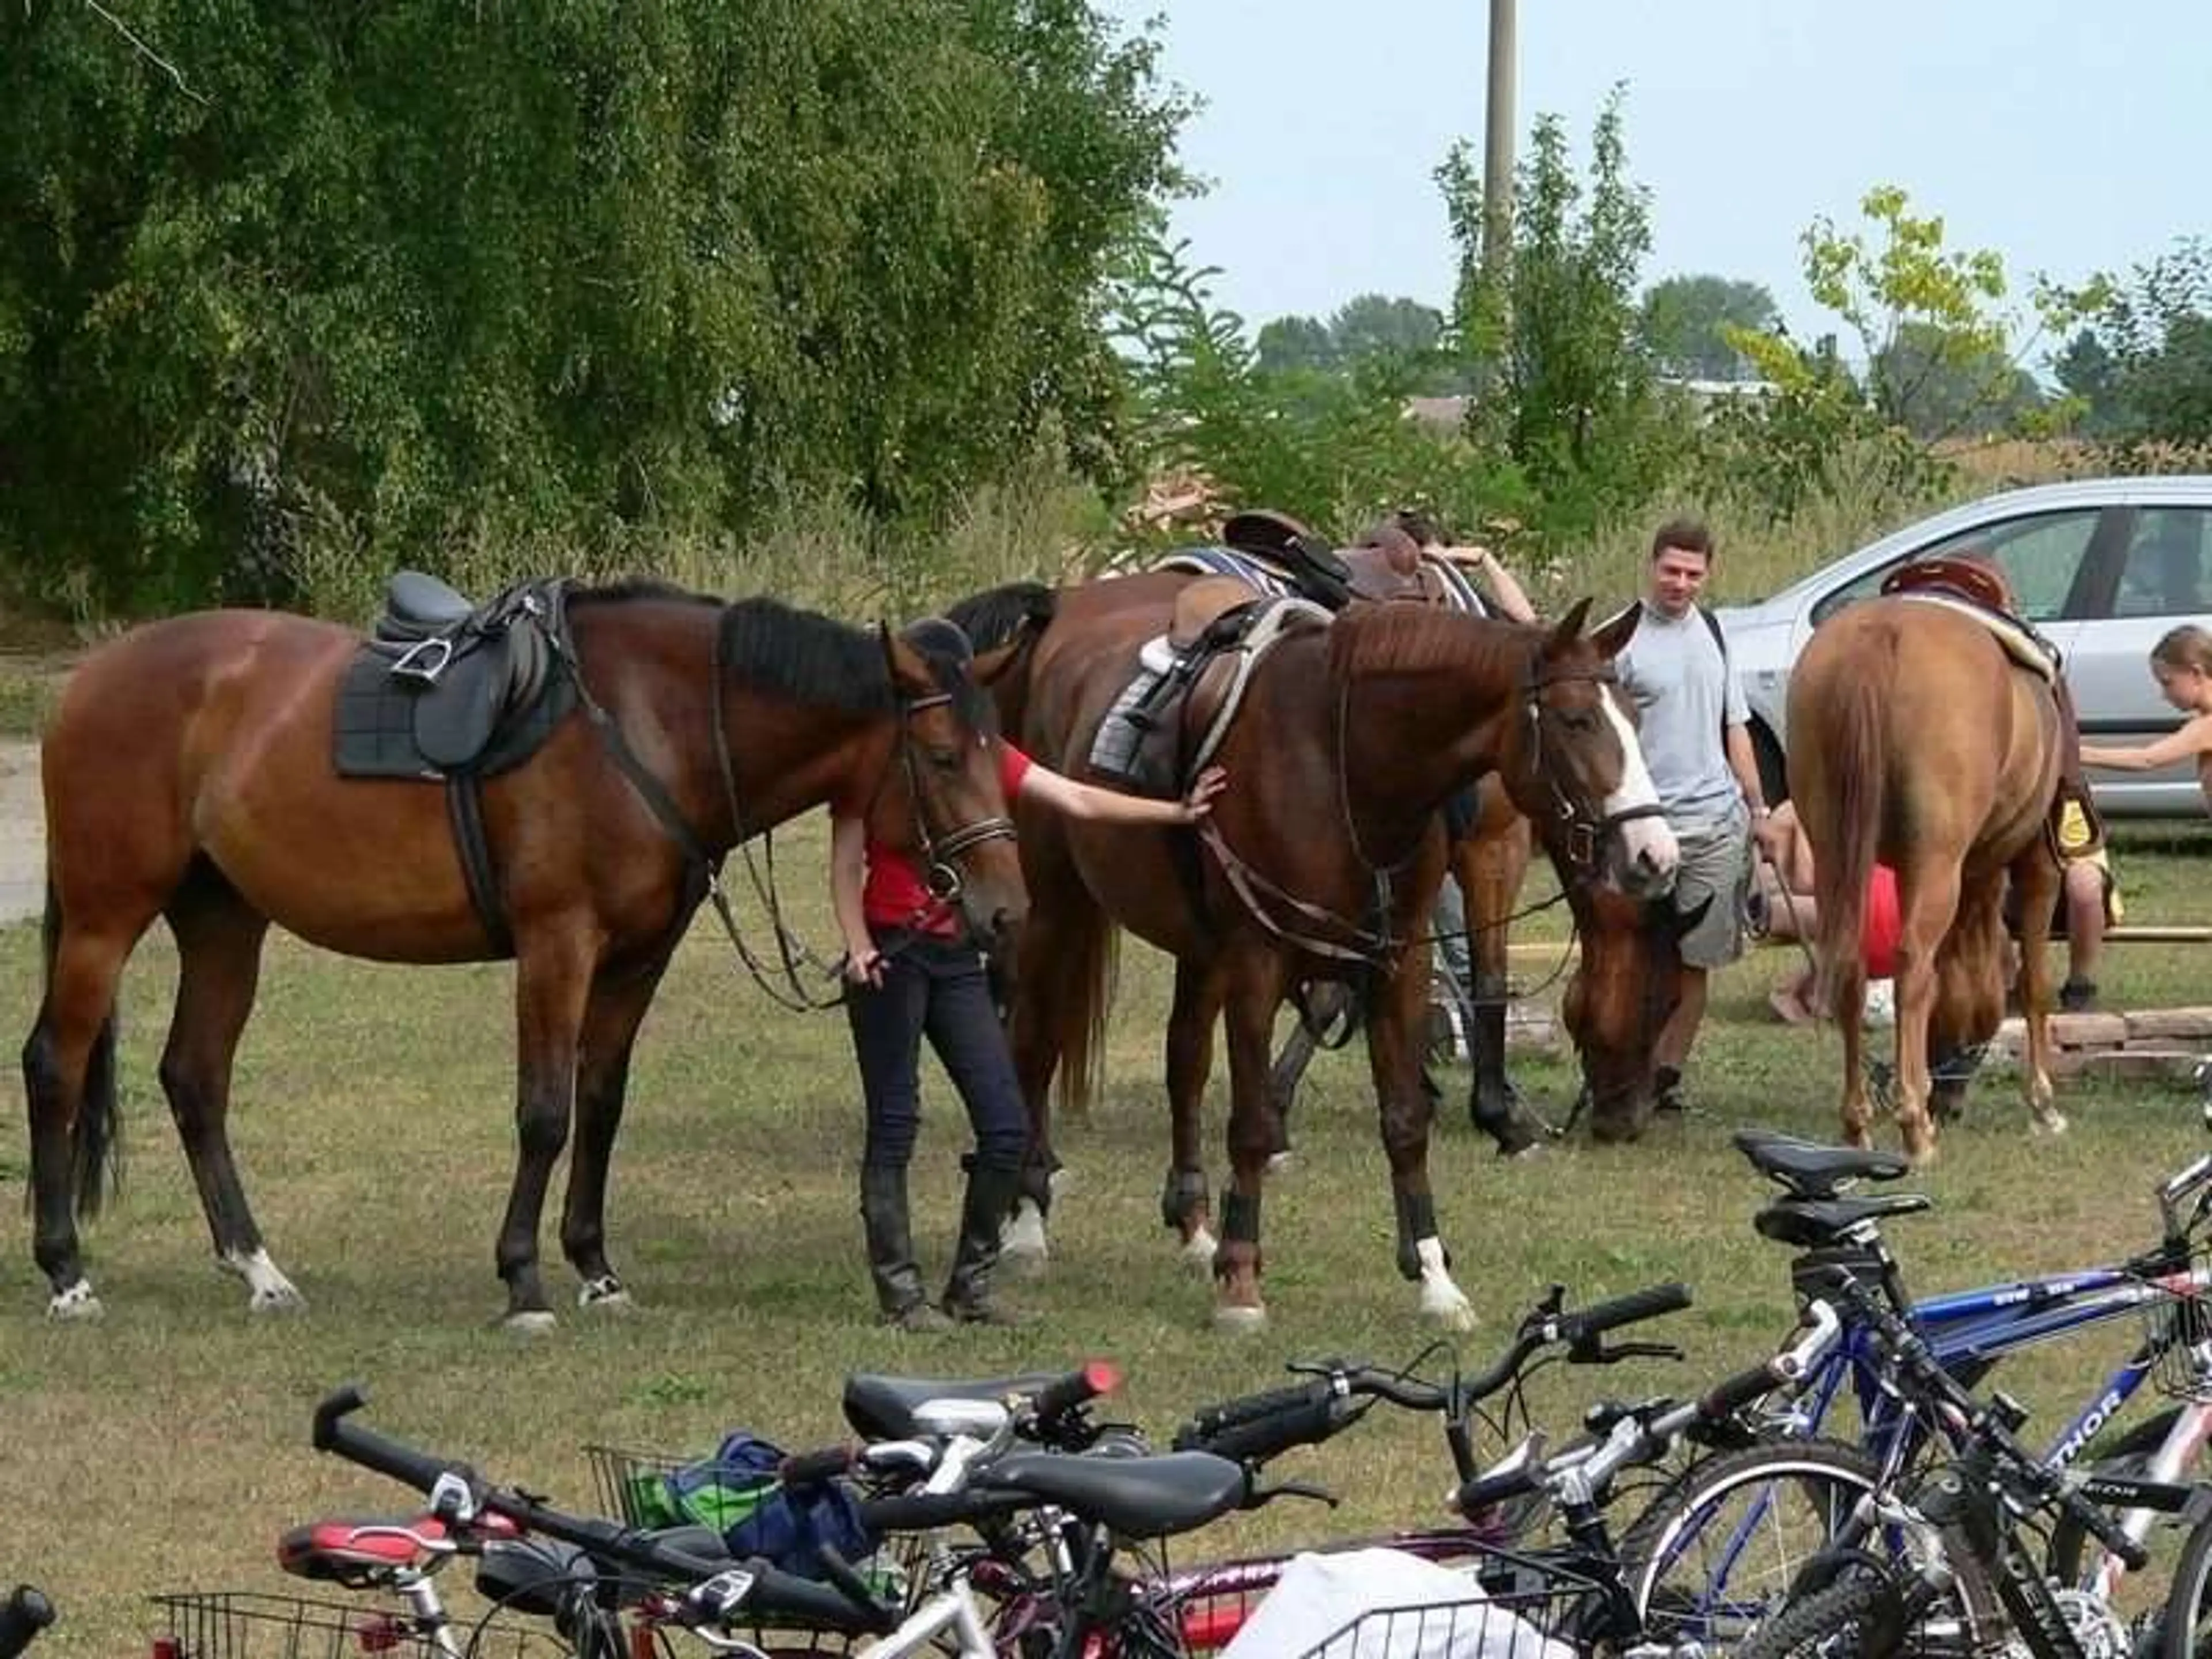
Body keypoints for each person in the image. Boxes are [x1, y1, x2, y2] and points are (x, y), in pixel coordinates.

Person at [831, 618, 1228, 1331]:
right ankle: (900, 1294)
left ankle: (970, 1287)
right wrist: (857, 944)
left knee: (1006, 1124)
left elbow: (1076, 797)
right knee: (894, 1125)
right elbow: (843, 861)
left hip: (954, 956)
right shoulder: (874, 762)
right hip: (892, 953)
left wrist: (1176, 811)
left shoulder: (985, 757)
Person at [1614, 518, 1779, 1111]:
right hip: (1645, 827)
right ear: (1651, 566)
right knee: (1634, 959)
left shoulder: (1713, 631)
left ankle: (1665, 1076)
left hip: (1716, 824)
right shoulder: (1623, 639)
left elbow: (1735, 726)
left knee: (1694, 962)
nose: (1680, 584)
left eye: (1692, 574)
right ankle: (1620, 1066)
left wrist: (1758, 808)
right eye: (1671, 571)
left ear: (1707, 575)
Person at [2081, 623, 2212, 814]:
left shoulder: (2205, 728)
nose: (2164, 695)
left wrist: (2076, 752)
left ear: (2196, 673)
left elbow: (2146, 759)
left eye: (2168, 683)